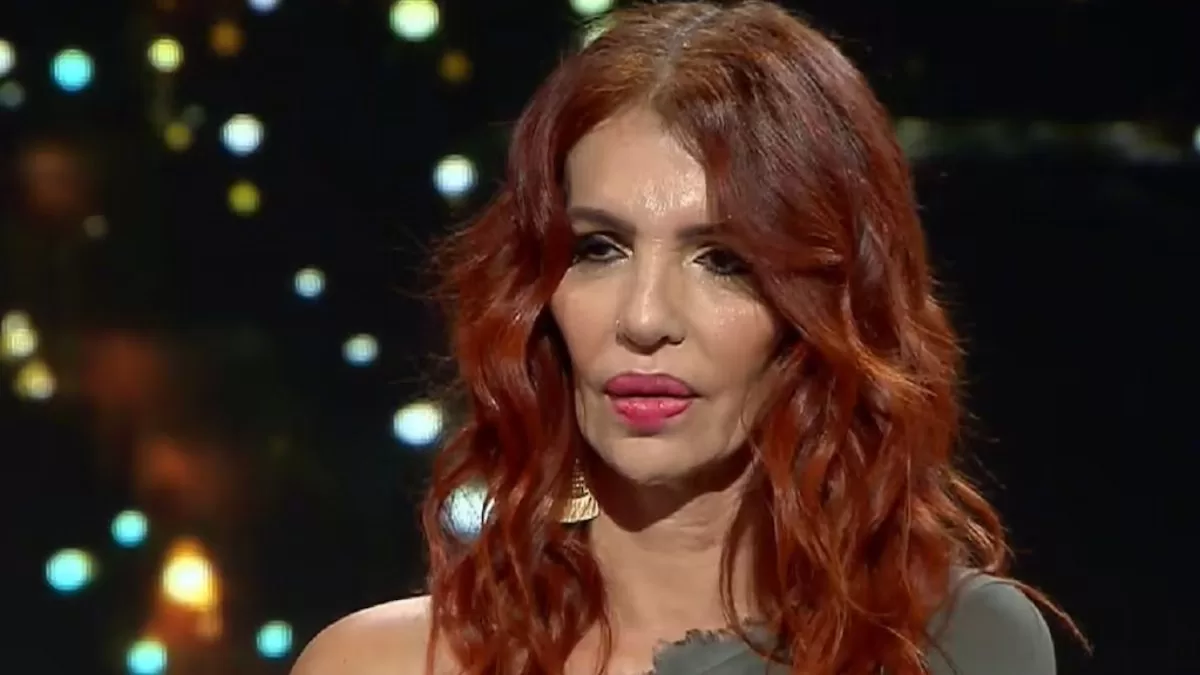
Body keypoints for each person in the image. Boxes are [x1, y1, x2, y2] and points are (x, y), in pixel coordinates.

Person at [293, 2, 1080, 674]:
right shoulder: (378, 662)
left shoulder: (954, 644)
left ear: (830, 303)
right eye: (599, 248)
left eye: (723, 260)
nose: (644, 318)